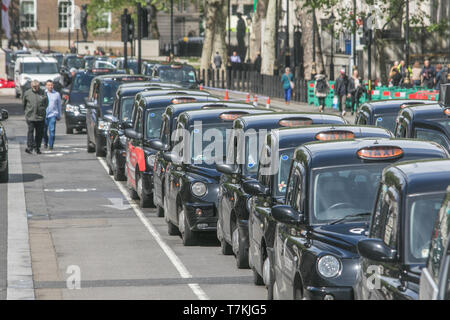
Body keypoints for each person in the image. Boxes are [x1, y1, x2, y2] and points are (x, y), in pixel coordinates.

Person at [23, 80, 48, 154]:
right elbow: (24, 104)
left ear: (38, 86)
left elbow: (46, 103)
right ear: (31, 86)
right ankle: (30, 147)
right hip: (30, 116)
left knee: (39, 133)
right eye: (33, 87)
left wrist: (42, 110)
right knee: (30, 132)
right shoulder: (27, 93)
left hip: (40, 117)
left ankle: (37, 147)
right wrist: (27, 113)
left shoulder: (43, 92)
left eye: (36, 87)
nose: (35, 88)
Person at [43, 80, 62, 150]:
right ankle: (45, 142)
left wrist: (59, 115)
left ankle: (51, 145)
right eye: (48, 85)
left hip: (53, 115)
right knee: (44, 131)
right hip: (44, 115)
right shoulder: (43, 93)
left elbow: (59, 105)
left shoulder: (56, 94)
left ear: (53, 86)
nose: (50, 86)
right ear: (46, 86)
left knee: (52, 131)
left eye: (51, 85)